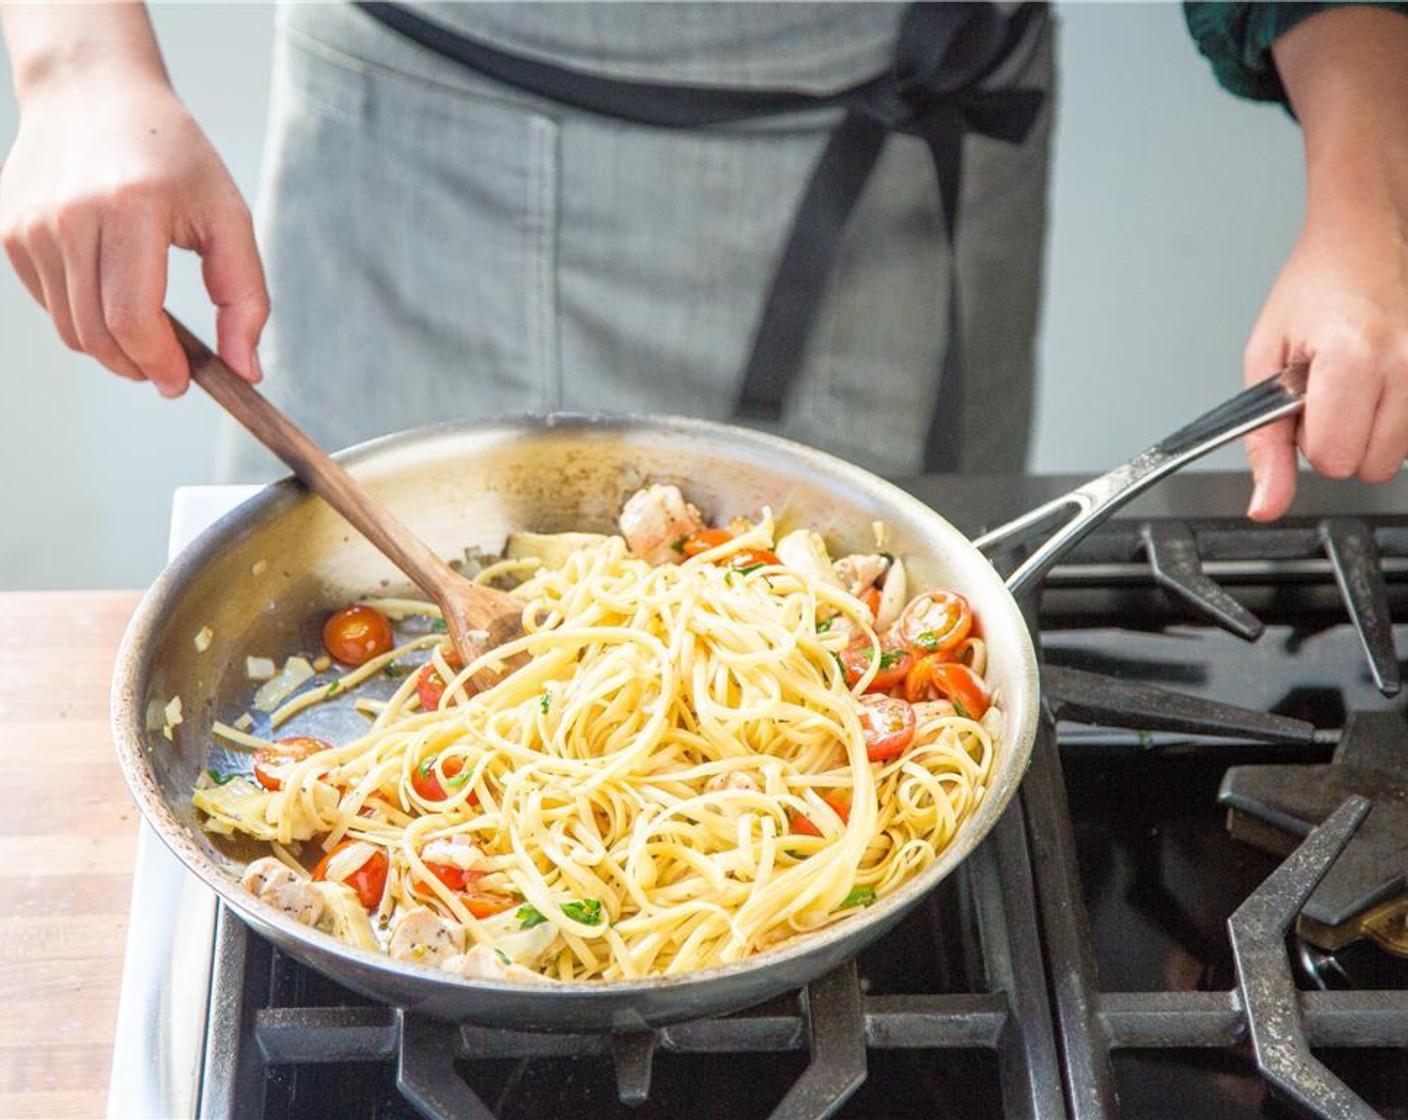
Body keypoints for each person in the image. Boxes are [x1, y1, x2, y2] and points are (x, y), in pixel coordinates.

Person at [1, 3, 1405, 522]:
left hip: (918, 129)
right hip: (447, 150)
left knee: (875, 654)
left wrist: (1368, 182)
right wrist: (75, 59)